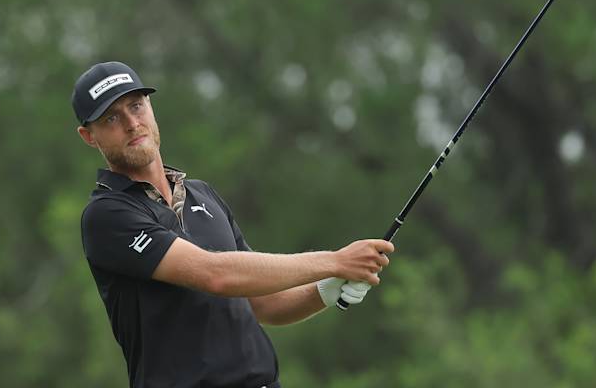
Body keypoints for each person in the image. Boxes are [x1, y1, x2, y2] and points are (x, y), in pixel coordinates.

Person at [72, 61, 394, 388]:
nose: (131, 123)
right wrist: (335, 261)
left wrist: (327, 288)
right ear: (89, 136)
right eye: (112, 117)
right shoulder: (107, 215)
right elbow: (217, 275)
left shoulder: (202, 194)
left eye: (136, 106)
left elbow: (263, 304)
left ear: (151, 107)